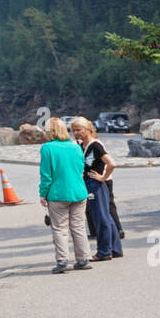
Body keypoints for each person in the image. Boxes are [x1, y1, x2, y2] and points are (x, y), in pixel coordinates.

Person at [38, 116, 91, 274]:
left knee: (60, 228)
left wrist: (43, 194)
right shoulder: (76, 146)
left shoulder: (47, 148)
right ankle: (83, 259)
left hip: (58, 193)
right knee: (78, 227)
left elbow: (46, 175)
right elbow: (80, 168)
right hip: (79, 191)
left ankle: (62, 261)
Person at [70, 117, 122, 261]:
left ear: (88, 129)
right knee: (106, 217)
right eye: (73, 130)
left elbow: (111, 163)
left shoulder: (95, 146)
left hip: (95, 184)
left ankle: (104, 251)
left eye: (79, 130)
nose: (76, 133)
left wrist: (103, 177)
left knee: (101, 218)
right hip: (89, 183)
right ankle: (115, 249)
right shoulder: (82, 146)